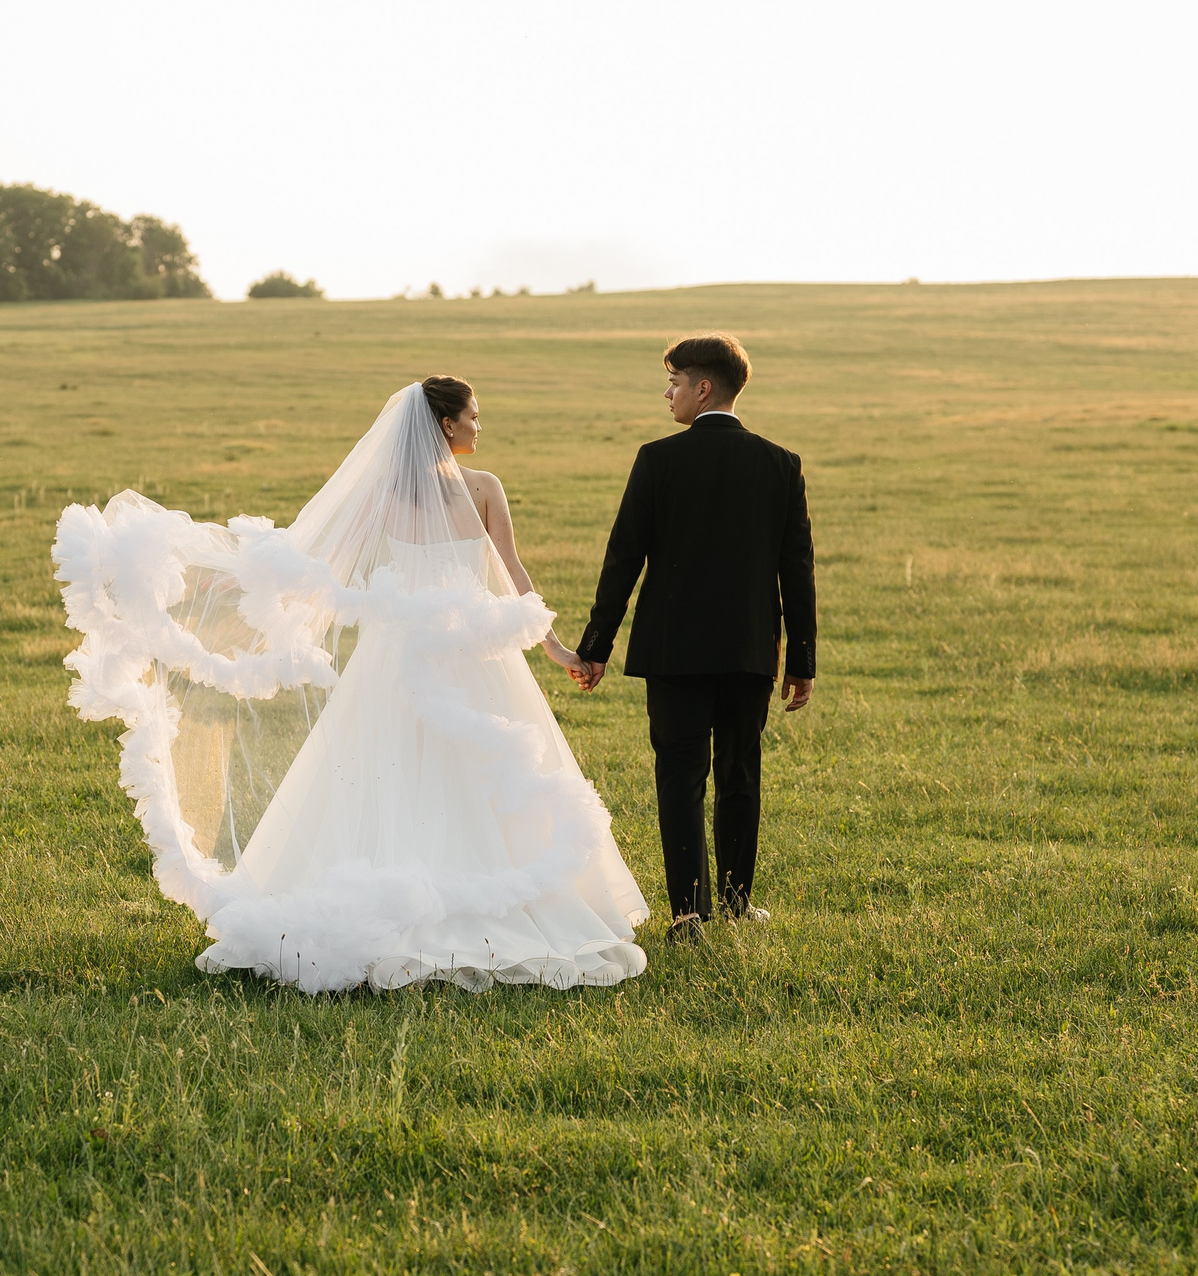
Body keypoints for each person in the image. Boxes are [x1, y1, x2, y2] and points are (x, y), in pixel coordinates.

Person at [53, 376, 650, 993]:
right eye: (473, 416)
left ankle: (461, 900)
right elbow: (327, 564)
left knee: (463, 772)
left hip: (454, 655)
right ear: (446, 426)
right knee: (402, 769)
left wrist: (554, 647)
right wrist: (231, 583)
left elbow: (509, 576)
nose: (479, 425)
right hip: (437, 658)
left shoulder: (476, 491)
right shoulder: (444, 492)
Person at [571, 333, 816, 940]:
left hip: (673, 651)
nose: (667, 393)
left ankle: (687, 912)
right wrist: (801, 659)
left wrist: (595, 647)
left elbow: (622, 558)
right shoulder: (780, 463)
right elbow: (798, 569)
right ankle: (735, 902)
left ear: (703, 388)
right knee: (740, 770)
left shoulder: (657, 460)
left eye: (674, 382)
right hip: (749, 650)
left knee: (679, 776)